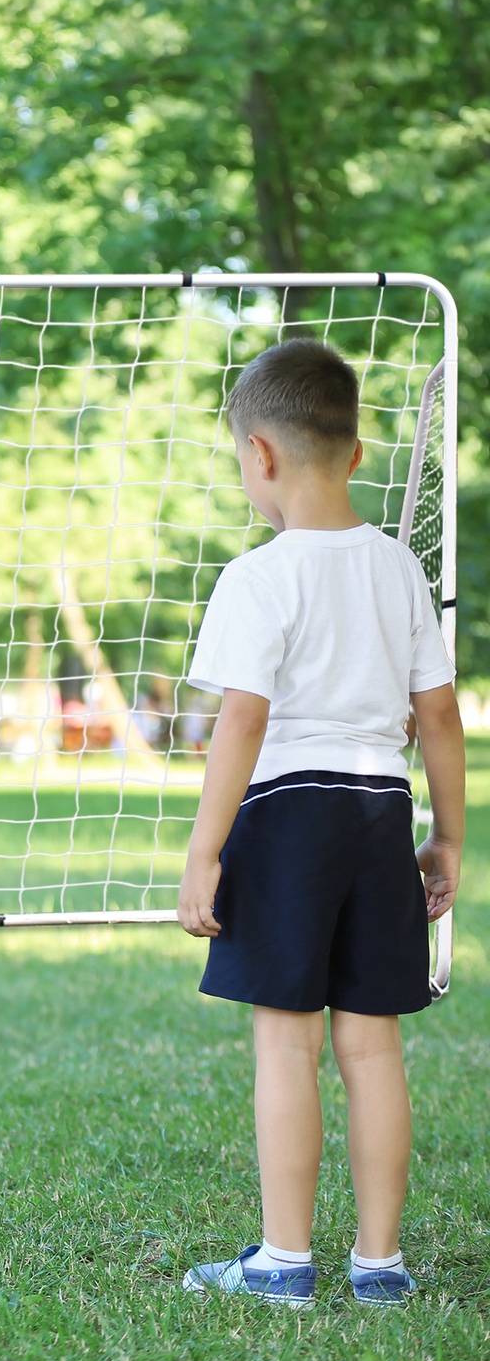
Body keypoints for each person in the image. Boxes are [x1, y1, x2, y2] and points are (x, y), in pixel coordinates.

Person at [177, 338, 463, 1308]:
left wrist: (204, 851)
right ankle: (378, 1267)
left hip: (288, 817)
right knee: (372, 1046)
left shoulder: (257, 579)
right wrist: (447, 836)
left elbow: (242, 723)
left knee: (284, 1044)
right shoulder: (399, 571)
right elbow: (438, 715)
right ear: (351, 452)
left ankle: (283, 1261)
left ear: (257, 456)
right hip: (381, 812)